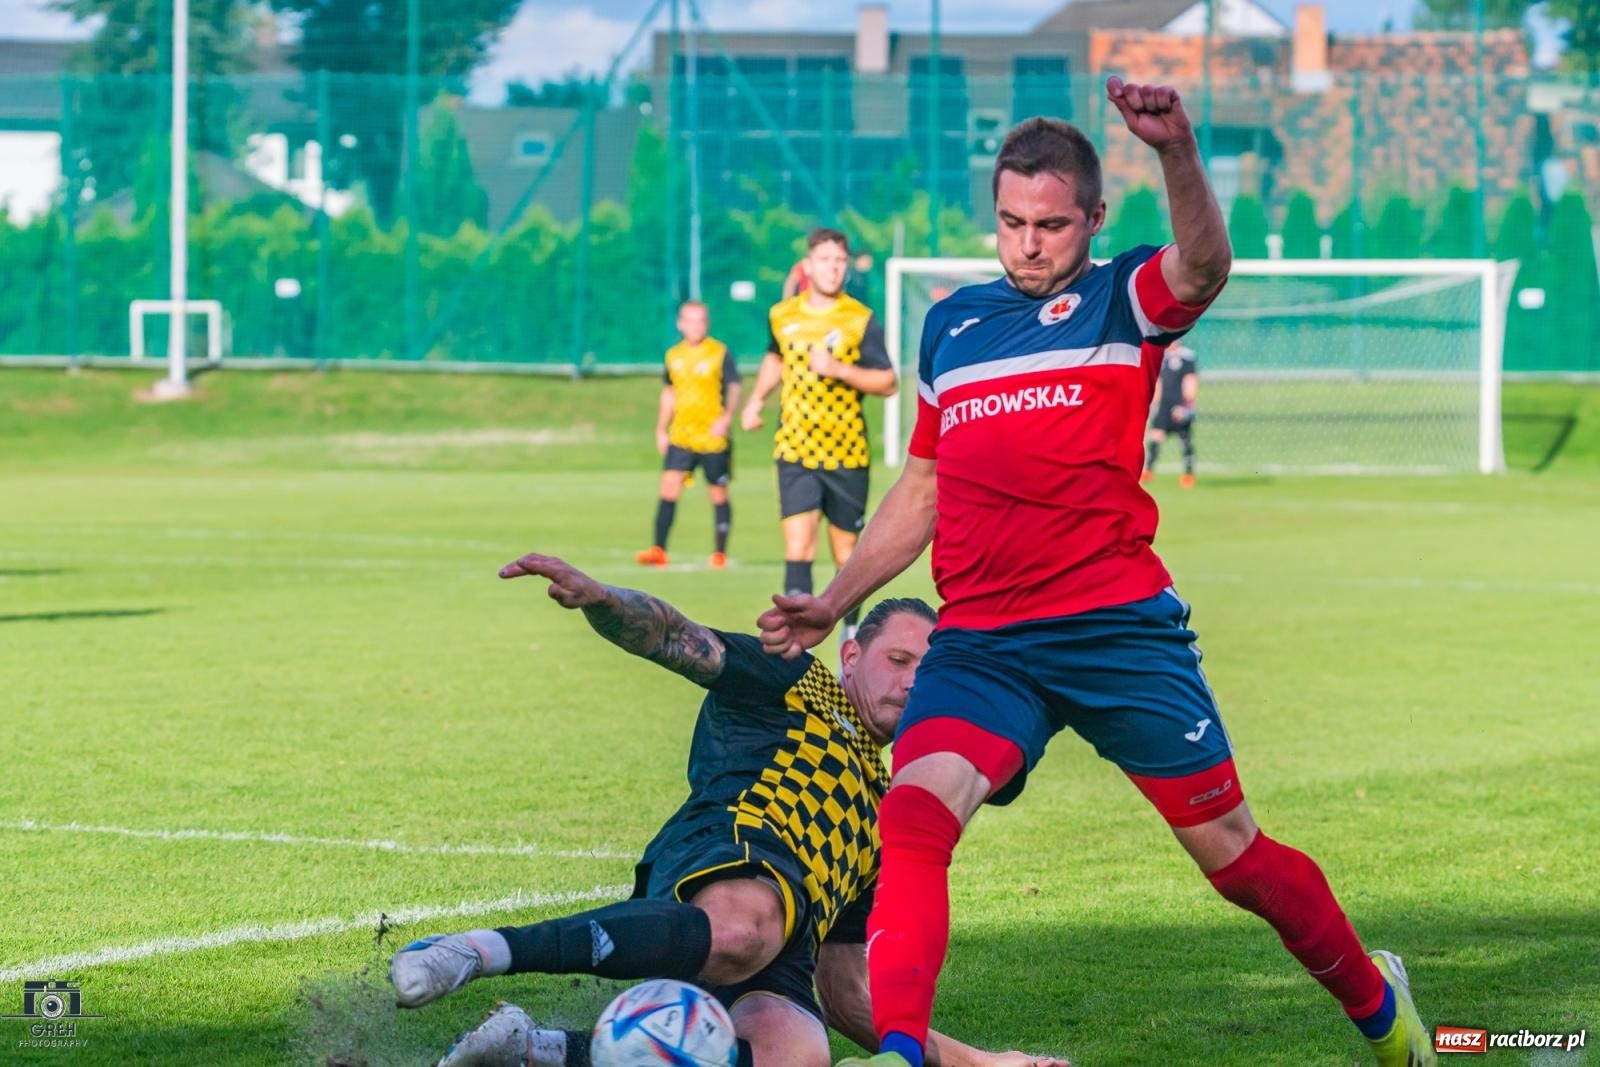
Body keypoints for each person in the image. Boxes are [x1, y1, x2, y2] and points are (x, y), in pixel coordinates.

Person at [756, 82, 1436, 1067]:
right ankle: (902, 1051)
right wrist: (833, 598)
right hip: (983, 640)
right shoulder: (952, 325)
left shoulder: (1126, 297)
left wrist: (1177, 150)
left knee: (1235, 859)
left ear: (1093, 217)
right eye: (1011, 223)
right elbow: (922, 484)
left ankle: (1382, 1010)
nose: (1028, 244)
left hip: (1116, 629)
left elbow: (1206, 263)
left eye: (1051, 225)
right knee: (913, 811)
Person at [389, 552, 1069, 1067]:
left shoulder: (887, 816)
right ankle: (475, 950)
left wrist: (983, 1061)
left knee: (797, 1051)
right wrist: (603, 600)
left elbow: (848, 997)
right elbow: (679, 639)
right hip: (727, 849)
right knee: (746, 926)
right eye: (898, 658)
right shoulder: (800, 679)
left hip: (783, 935)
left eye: (929, 670)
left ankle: (532, 1047)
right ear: (851, 653)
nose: (913, 680)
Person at [742, 229, 897, 642]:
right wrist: (756, 400)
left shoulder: (859, 319)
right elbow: (774, 357)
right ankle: (797, 650)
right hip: (795, 448)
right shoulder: (783, 315)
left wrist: (839, 369)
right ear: (807, 267)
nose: (834, 267)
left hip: (846, 452)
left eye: (840, 260)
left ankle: (850, 644)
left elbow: (887, 381)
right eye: (826, 259)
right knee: (799, 546)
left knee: (846, 555)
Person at [637, 300, 741, 569]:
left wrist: (727, 417)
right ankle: (658, 550)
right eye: (690, 321)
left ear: (707, 323)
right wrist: (661, 429)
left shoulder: (719, 352)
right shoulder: (673, 356)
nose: (696, 326)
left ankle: (719, 553)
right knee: (668, 487)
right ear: (680, 324)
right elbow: (669, 393)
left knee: (717, 493)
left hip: (712, 438)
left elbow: (734, 387)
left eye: (701, 321)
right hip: (681, 435)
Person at [1141, 341, 1198, 488]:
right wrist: (1153, 406)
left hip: (1179, 405)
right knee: (1156, 436)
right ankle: (1148, 471)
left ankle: (1188, 475)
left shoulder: (1186, 357)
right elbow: (1158, 383)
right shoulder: (1161, 356)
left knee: (1184, 438)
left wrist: (1185, 406)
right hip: (1163, 407)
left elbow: (1190, 383)